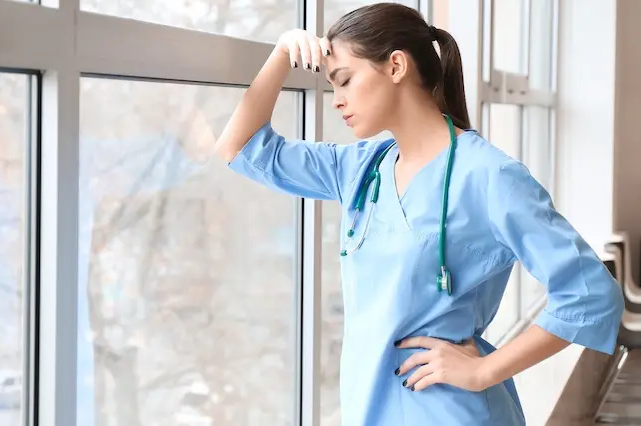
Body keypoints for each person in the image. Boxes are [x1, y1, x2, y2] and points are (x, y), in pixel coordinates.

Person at [215, 3, 624, 425]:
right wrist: (282, 54)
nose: (337, 101)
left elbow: (590, 294)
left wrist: (485, 369)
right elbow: (242, 148)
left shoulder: (489, 177)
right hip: (370, 408)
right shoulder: (360, 168)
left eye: (345, 81)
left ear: (395, 66)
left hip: (450, 412)